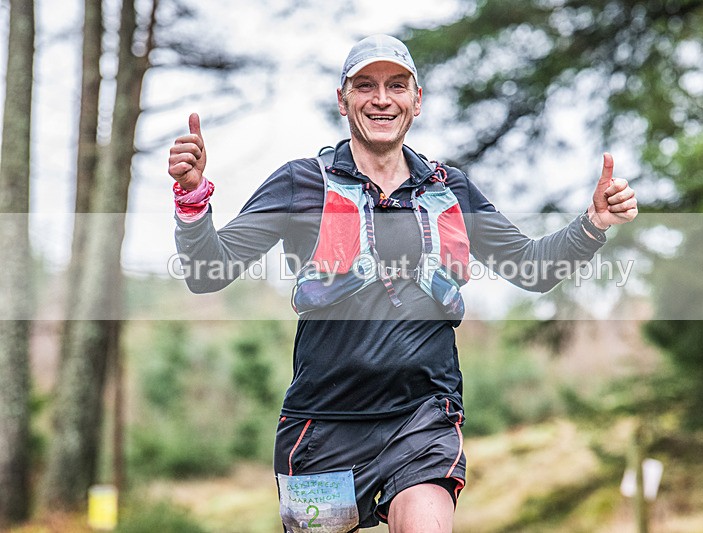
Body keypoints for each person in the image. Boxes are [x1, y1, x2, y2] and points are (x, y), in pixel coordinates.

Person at [168, 34, 637, 533]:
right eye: (365, 86)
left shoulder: (450, 189)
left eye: (397, 85)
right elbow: (205, 271)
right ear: (343, 100)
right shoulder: (298, 184)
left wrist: (592, 224)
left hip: (423, 418)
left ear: (417, 100)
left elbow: (533, 267)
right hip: (322, 424)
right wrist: (193, 197)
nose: (381, 98)